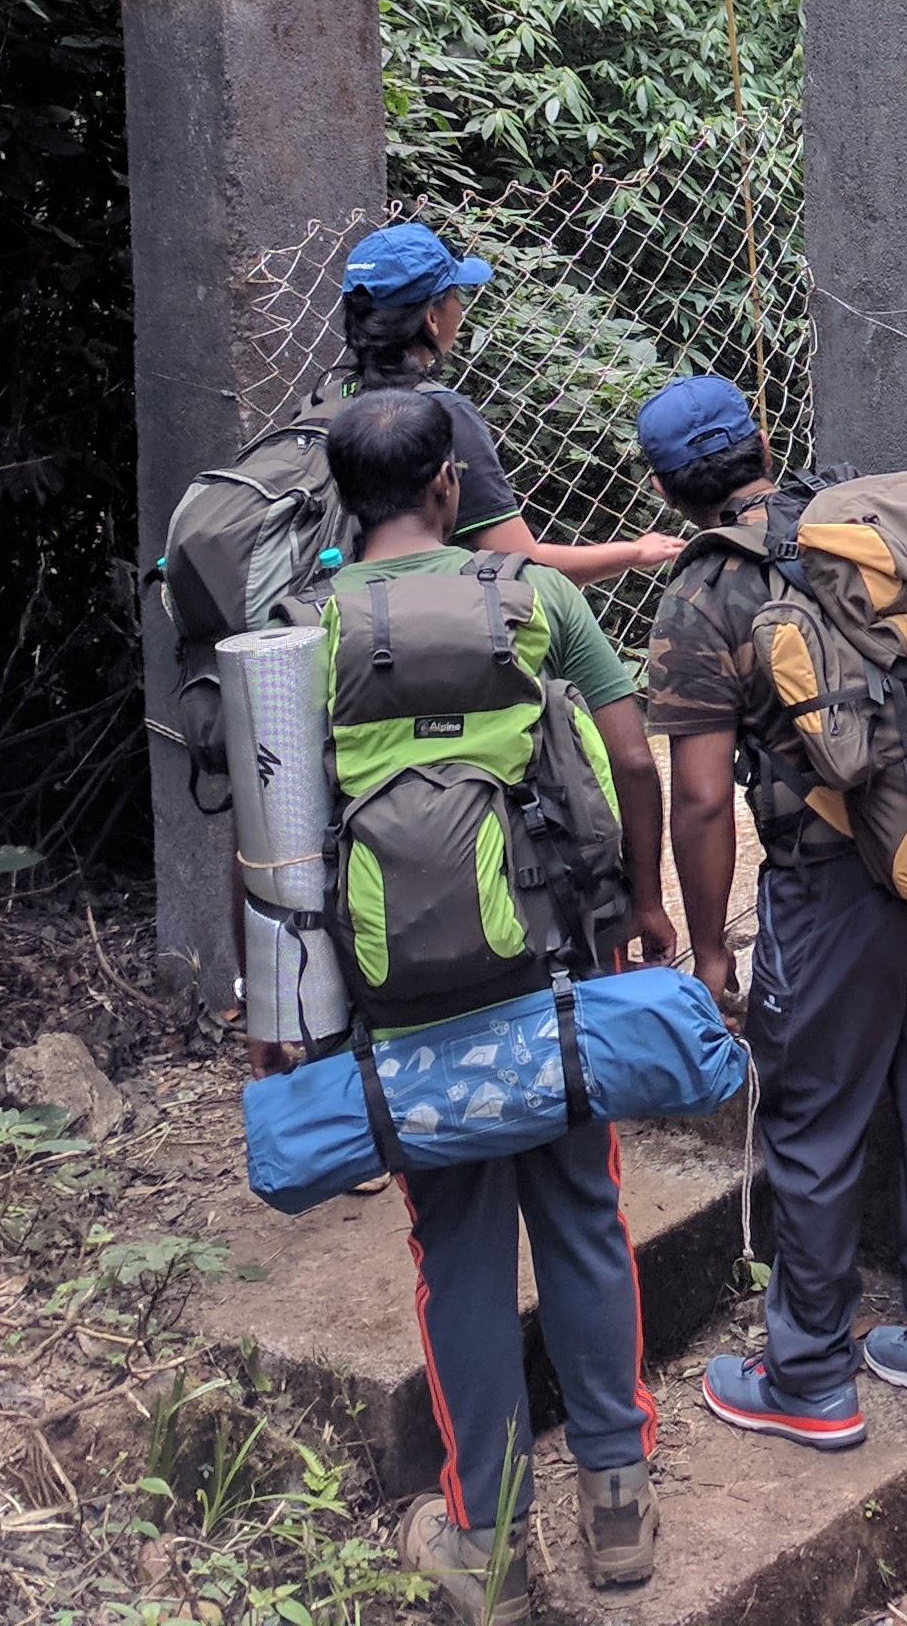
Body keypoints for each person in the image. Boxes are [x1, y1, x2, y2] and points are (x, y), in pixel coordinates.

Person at [319, 384, 672, 1614]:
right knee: (580, 1211)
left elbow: (274, 852)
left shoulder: (306, 630)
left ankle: (492, 1544)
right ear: (449, 488)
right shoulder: (536, 597)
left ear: (340, 503)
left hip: (400, 994)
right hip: (551, 964)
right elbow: (633, 756)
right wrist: (647, 902)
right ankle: (618, 1508)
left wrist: (295, 1034)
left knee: (456, 1252)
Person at [635, 374, 907, 1450]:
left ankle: (808, 1375)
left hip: (833, 885)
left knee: (811, 1120)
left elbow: (705, 797)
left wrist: (711, 948)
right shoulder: (860, 523)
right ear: (765, 442)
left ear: (667, 488)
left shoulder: (706, 595)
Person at [337, 222, 688, 591]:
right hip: (420, 626)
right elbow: (522, 564)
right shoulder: (438, 414)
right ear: (432, 317)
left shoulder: (327, 403)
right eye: (456, 294)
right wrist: (633, 552)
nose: (462, 306)